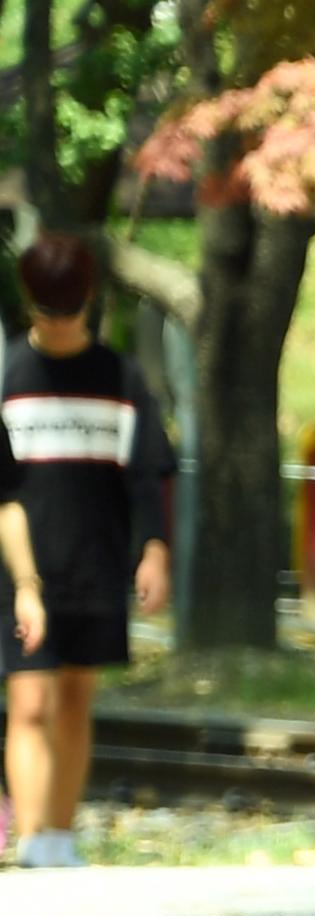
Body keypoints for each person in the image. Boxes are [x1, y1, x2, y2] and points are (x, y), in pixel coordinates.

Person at [3, 234, 175, 868]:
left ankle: (59, 835)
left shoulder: (120, 378)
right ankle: (30, 841)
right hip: (21, 569)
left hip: (97, 562)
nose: (60, 319)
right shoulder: (9, 378)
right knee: (29, 701)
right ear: (31, 303)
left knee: (76, 697)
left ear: (89, 300)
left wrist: (152, 550)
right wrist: (24, 582)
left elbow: (144, 475)